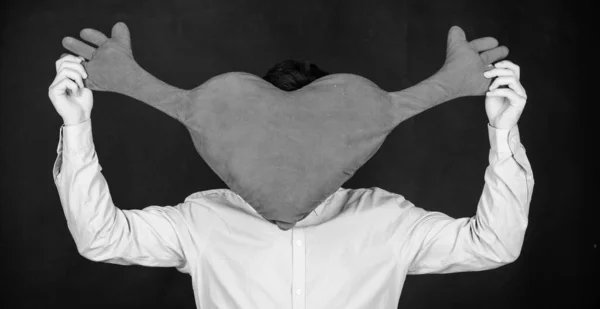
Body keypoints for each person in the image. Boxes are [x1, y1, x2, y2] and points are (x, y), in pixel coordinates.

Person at [50, 54, 534, 309]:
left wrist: (503, 132)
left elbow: (493, 245)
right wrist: (75, 127)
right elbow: (101, 239)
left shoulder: (387, 218)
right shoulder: (204, 217)